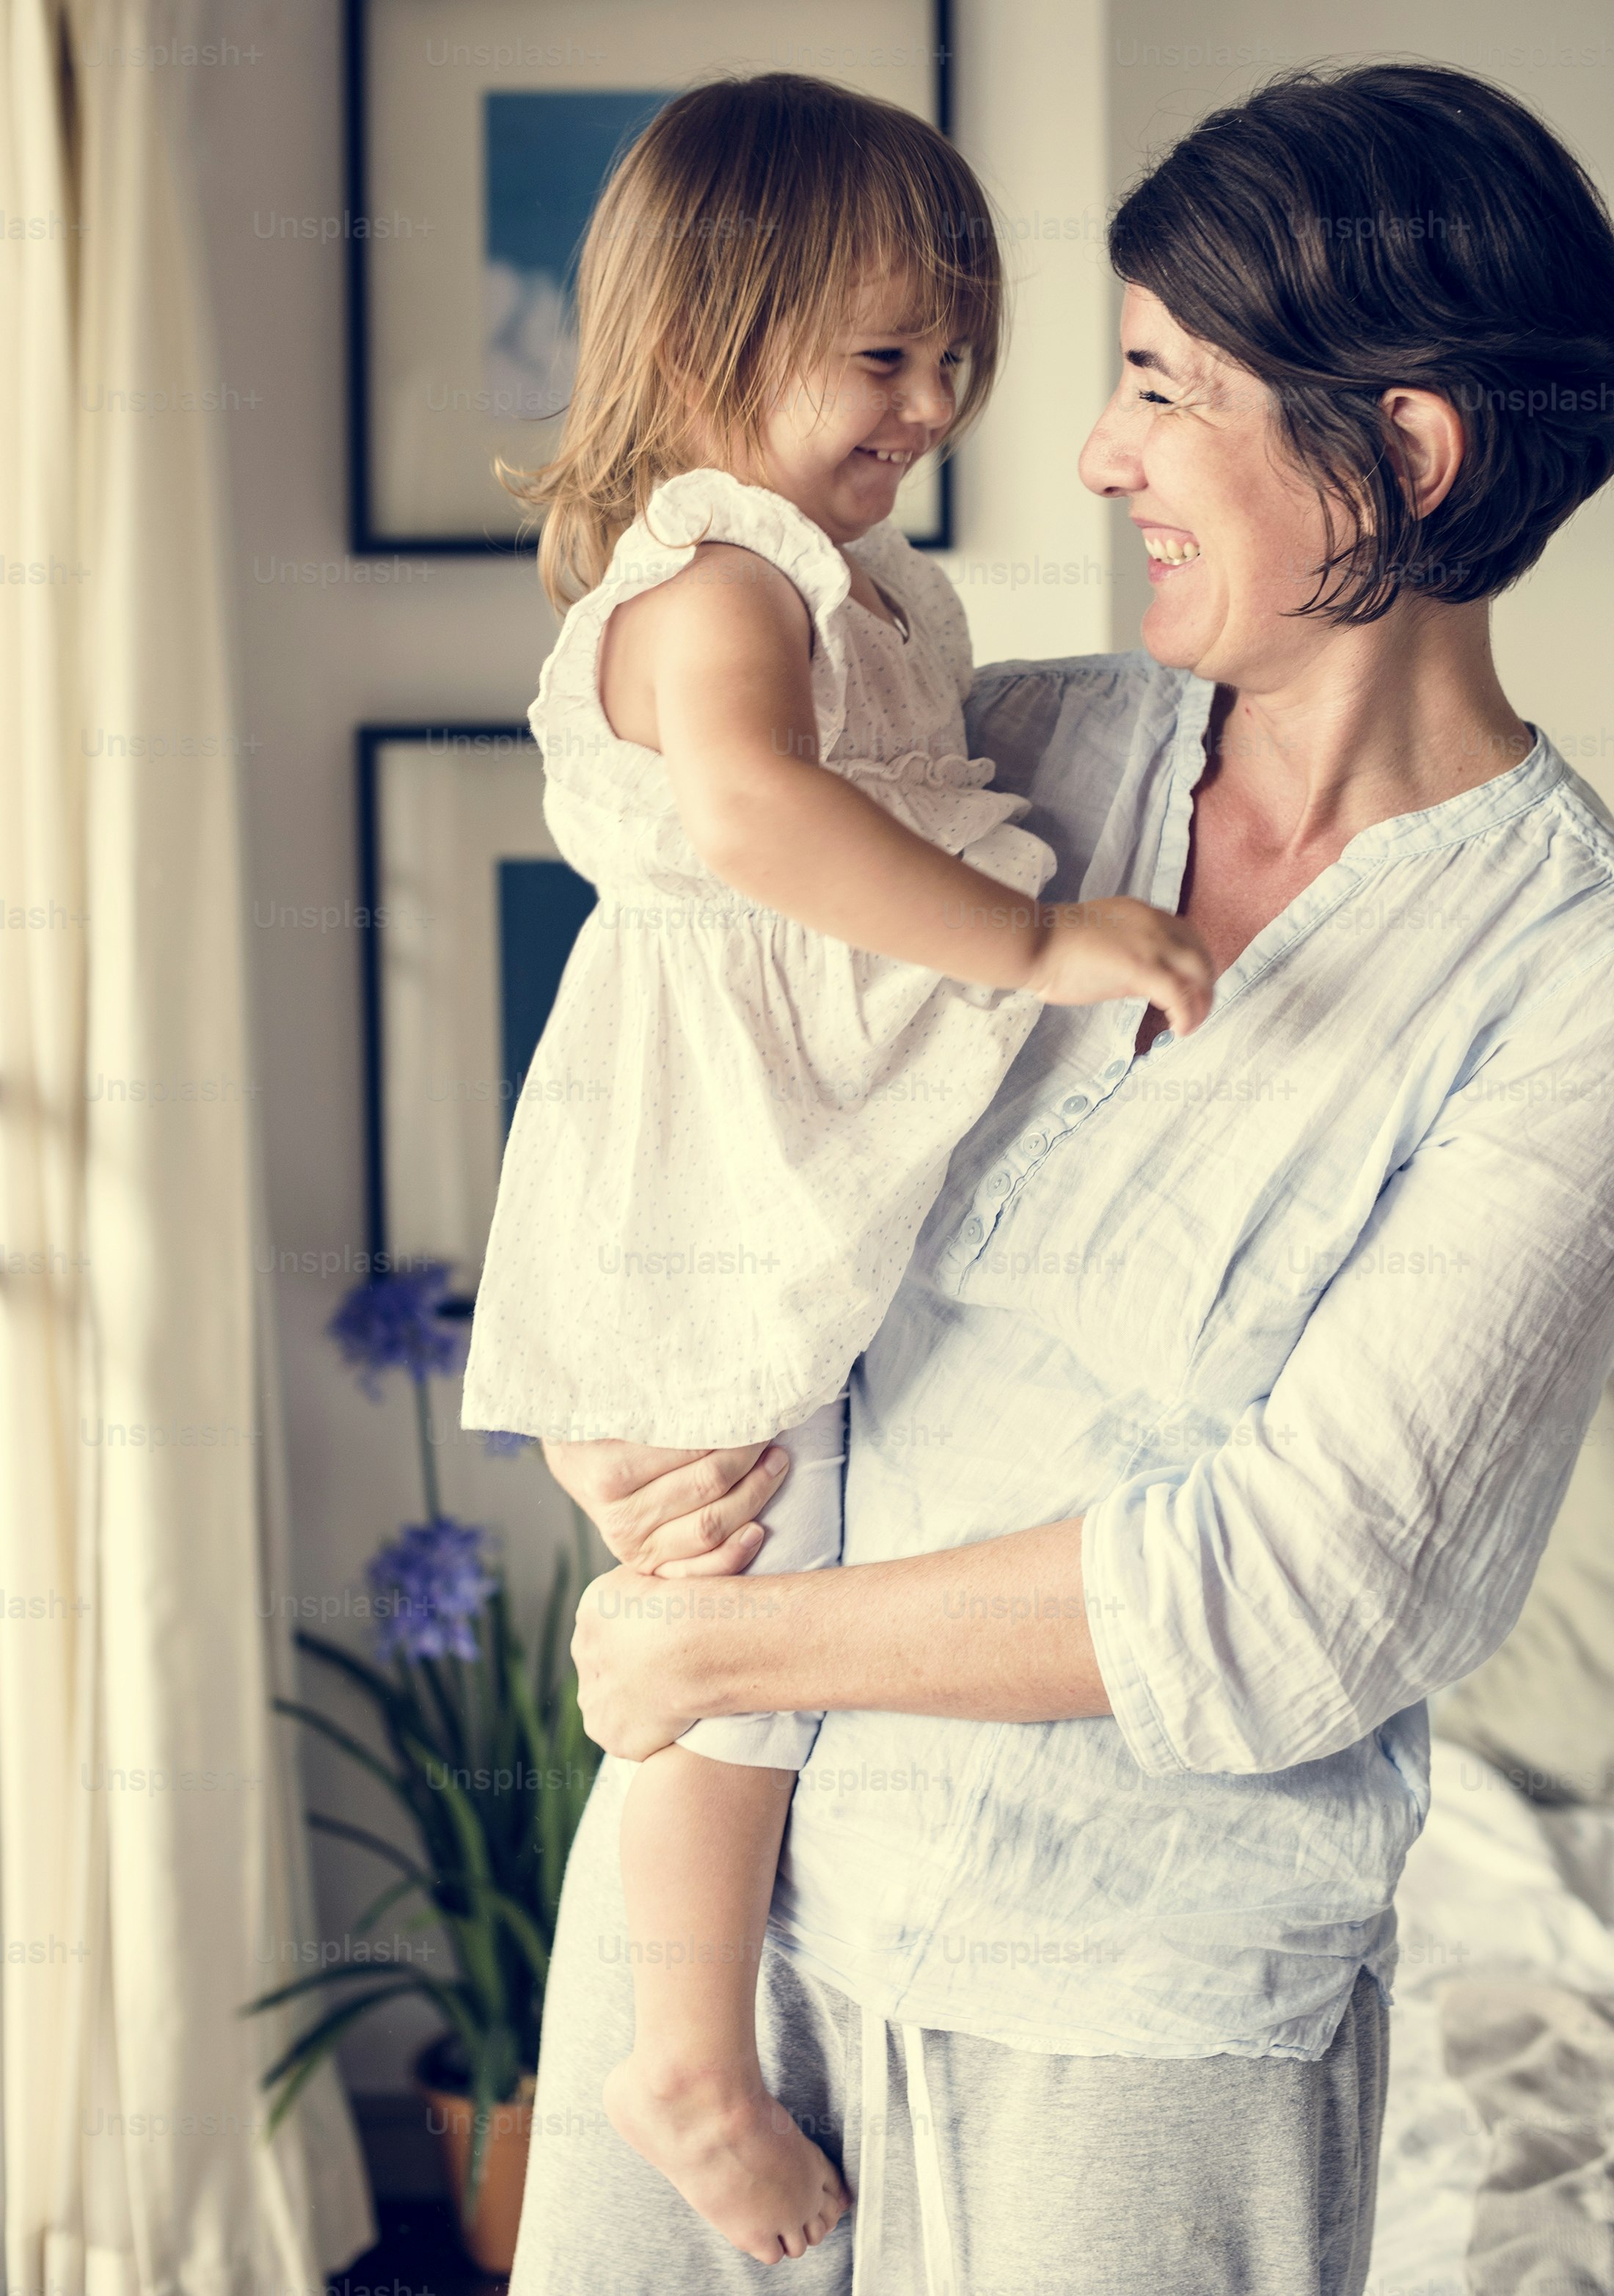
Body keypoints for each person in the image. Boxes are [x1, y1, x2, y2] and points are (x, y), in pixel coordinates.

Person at [525, 62, 1614, 2296]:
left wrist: (713, 1630)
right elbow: (677, 1088)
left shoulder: (1566, 979)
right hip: (718, 1935)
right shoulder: (980, 747)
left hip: (1127, 2012)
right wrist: (610, 1449)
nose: (1096, 450)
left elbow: (1300, 1592)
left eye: (1160, 388)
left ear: (1404, 453)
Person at [459, 73, 1210, 2269]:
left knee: (762, 1570)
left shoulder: (861, 582)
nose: (937, 402)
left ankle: (691, 2026)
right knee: (733, 1609)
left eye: (953, 356)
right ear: (708, 337)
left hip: (783, 1168)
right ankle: (680, 2051)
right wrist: (1043, 938)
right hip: (702, 1186)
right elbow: (774, 826)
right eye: (886, 355)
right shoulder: (715, 585)